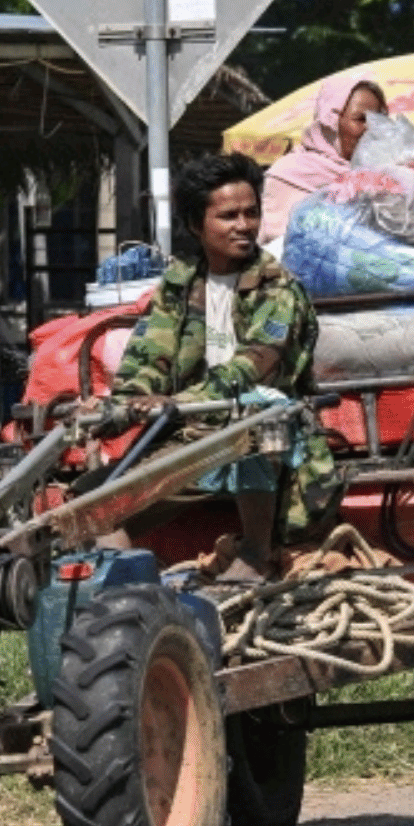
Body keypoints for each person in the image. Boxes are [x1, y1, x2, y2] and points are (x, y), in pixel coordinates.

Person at [115, 153, 331, 574]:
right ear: (197, 224)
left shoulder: (279, 288)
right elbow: (147, 353)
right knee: (95, 513)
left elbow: (254, 366)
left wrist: (176, 401)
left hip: (268, 436)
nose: (244, 225)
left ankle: (255, 552)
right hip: (191, 432)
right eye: (228, 215)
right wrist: (125, 403)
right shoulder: (180, 282)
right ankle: (148, 598)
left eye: (251, 213)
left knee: (259, 408)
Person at [258, 72, 388, 249]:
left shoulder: (385, 178)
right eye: (361, 119)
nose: (371, 128)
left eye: (378, 120)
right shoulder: (288, 175)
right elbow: (278, 245)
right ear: (331, 121)